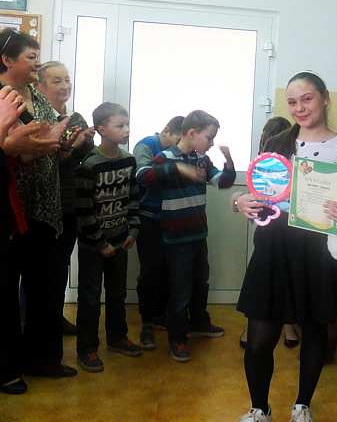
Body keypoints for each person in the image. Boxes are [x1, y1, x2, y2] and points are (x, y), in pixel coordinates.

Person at [236, 72, 337, 422]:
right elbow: (259, 189)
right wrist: (240, 201)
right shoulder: (277, 144)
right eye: (292, 102)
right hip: (274, 253)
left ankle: (302, 405)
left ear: (325, 98)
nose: (300, 108)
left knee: (314, 334)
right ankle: (259, 408)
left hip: (319, 257)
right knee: (259, 339)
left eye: (307, 99)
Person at [0, 28, 75, 378]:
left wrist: (60, 143)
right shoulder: (3, 97)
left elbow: (46, 137)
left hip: (45, 207)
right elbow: (15, 146)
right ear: (6, 60)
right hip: (12, 209)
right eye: (31, 57)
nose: (37, 63)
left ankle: (43, 360)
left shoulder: (35, 94)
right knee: (6, 293)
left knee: (44, 288)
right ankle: (9, 367)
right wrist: (27, 147)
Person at [137, 110, 236, 363]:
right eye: (209, 137)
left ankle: (199, 322)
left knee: (201, 282)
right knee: (180, 290)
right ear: (191, 133)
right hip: (176, 238)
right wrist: (177, 168)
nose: (212, 143)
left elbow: (222, 182)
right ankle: (177, 338)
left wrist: (228, 161)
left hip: (198, 234)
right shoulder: (166, 156)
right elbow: (143, 176)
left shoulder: (202, 159)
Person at [1, 85, 61, 394]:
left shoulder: (31, 100)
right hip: (18, 210)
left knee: (31, 291)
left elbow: (14, 161)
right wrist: (8, 144)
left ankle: (29, 361)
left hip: (19, 216)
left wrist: (26, 149)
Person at [74, 102, 142, 372]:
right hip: (94, 245)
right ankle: (87, 348)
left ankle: (117, 337)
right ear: (101, 129)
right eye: (120, 125)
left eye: (127, 124)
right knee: (90, 297)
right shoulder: (89, 165)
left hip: (120, 240)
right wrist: (100, 242)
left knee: (117, 294)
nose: (126, 130)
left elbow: (133, 198)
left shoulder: (129, 160)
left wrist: (133, 230)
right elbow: (83, 210)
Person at [36, 61, 95, 337]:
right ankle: (33, 322)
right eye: (56, 80)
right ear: (40, 86)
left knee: (60, 266)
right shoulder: (35, 119)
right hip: (41, 206)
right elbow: (41, 163)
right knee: (39, 269)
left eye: (67, 80)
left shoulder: (76, 118)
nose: (64, 86)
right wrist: (68, 148)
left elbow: (86, 159)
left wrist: (85, 142)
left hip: (70, 204)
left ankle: (54, 318)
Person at [233, 115, 297, 350]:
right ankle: (254, 325)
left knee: (285, 277)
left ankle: (288, 324)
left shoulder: (296, 164)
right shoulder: (261, 164)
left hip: (290, 230)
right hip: (267, 228)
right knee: (262, 281)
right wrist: (238, 201)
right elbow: (247, 195)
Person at [132, 115, 184, 350]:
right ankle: (147, 322)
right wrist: (176, 168)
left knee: (168, 270)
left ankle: (162, 316)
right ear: (166, 131)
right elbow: (144, 176)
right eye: (178, 140)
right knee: (150, 271)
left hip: (172, 218)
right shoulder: (146, 145)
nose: (179, 146)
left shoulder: (179, 150)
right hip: (149, 218)